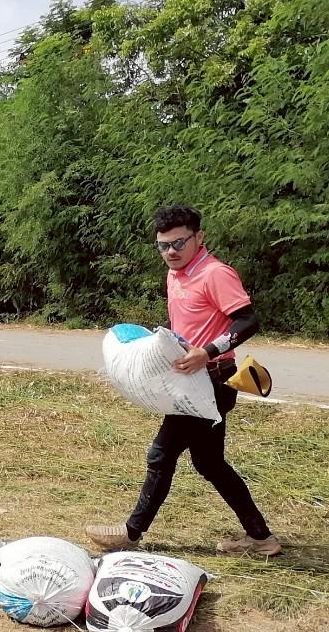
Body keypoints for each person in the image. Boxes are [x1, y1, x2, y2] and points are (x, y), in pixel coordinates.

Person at [86, 205, 281, 556]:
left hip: (211, 382)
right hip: (188, 382)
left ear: (199, 237)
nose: (171, 252)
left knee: (161, 454)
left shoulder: (214, 273)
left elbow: (248, 321)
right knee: (210, 463)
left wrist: (208, 351)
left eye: (179, 243)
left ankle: (130, 533)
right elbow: (186, 326)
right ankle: (261, 538)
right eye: (163, 246)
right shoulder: (175, 275)